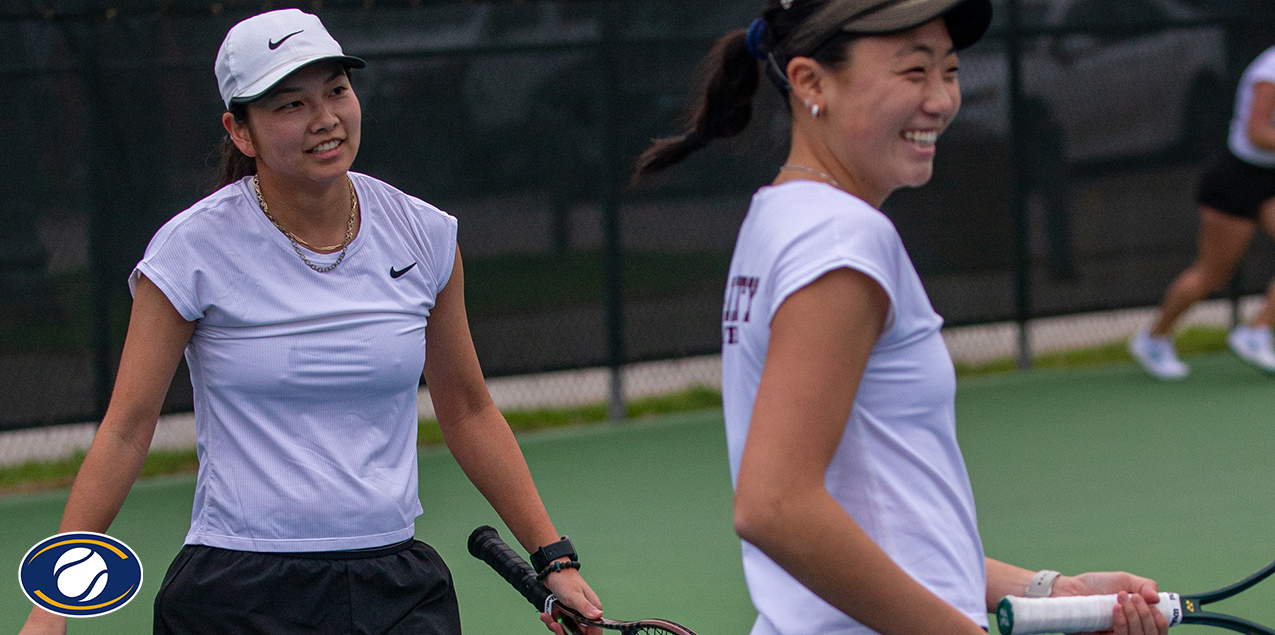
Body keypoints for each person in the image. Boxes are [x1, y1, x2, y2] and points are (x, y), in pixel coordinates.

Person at [19, 9, 601, 635]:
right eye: (290, 104)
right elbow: (126, 431)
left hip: (395, 587)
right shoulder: (190, 249)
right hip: (236, 591)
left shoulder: (424, 235)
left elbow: (467, 408)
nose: (325, 119)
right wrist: (53, 606)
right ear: (240, 131)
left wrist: (553, 559)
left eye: (336, 91)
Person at [634, 1, 1171, 634]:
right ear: (811, 83)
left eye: (949, 71)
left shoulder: (781, 218)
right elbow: (775, 506)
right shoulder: (842, 237)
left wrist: (1049, 591)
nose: (943, 100)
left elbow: (882, 520)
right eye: (914, 72)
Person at [1128, 45, 1275, 380]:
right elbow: (1257, 134)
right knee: (1212, 273)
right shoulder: (1271, 72)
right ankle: (1153, 339)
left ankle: (1257, 332)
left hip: (1270, 180)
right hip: (1235, 180)